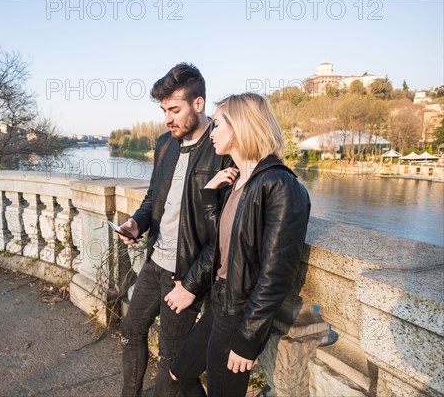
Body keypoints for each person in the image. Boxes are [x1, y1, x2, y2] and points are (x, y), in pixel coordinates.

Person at [166, 93, 311, 396]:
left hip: (240, 316)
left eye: (217, 125)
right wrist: (209, 195)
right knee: (179, 372)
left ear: (240, 127)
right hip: (220, 302)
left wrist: (247, 338)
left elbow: (276, 275)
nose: (212, 132)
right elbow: (219, 246)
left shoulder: (280, 185)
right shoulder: (236, 182)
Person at [118, 63, 232, 397]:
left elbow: (224, 234)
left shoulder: (223, 150)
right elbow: (154, 197)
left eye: (174, 109)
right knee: (130, 331)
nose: (167, 118)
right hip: (155, 260)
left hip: (186, 273)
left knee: (171, 361)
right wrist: (137, 223)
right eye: (163, 110)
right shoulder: (165, 144)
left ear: (198, 104)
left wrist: (193, 284)